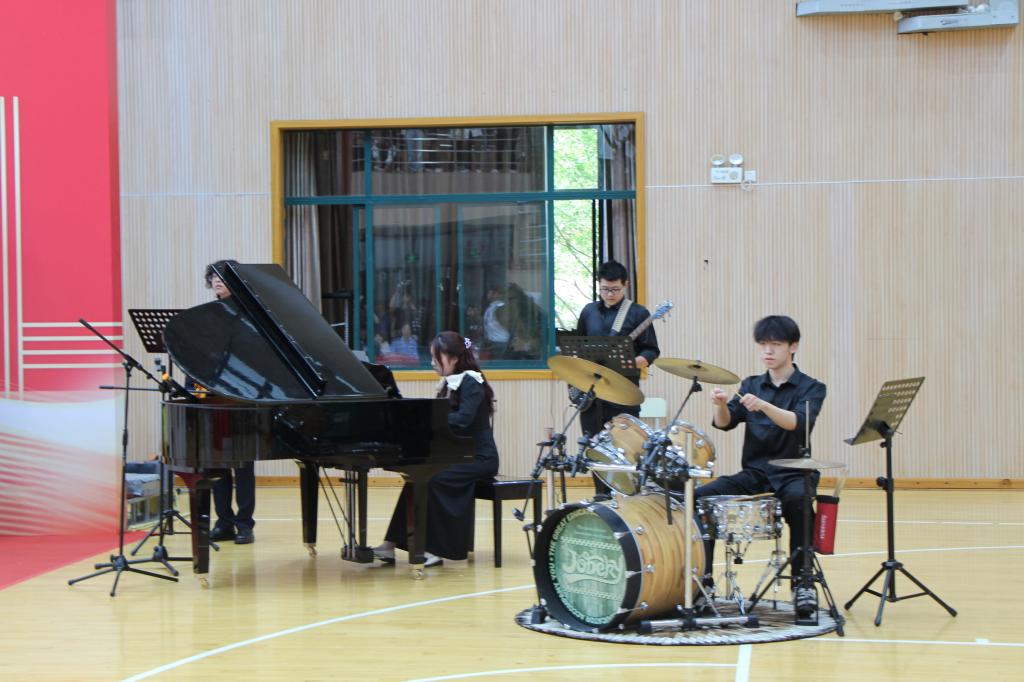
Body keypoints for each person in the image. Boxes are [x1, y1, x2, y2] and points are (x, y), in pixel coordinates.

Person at [697, 315, 825, 617]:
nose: (768, 351)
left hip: (794, 471)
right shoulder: (751, 384)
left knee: (800, 502)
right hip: (755, 472)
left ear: (793, 347)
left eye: (776, 344)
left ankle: (803, 584)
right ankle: (703, 583)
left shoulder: (812, 387)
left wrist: (765, 406)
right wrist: (720, 404)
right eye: (763, 344)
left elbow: (798, 423)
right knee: (700, 499)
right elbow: (724, 424)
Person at [373, 331, 499, 567]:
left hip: (480, 458)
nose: (432, 362)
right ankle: (390, 545)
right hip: (461, 455)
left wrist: (426, 419)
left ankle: (434, 549)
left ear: (454, 358)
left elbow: (462, 420)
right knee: (416, 478)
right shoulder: (451, 383)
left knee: (435, 478)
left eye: (436, 357)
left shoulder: (472, 382)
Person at [574, 260, 660, 440]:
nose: (609, 294)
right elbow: (578, 348)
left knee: (624, 448)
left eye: (615, 289)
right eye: (605, 289)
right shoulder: (588, 311)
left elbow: (651, 351)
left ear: (625, 285)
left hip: (624, 396)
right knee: (591, 448)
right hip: (591, 396)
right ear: (599, 284)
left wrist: (629, 363)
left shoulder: (638, 313)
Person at [203, 262, 257, 545]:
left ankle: (244, 524)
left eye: (222, 276)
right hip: (214, 394)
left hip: (241, 395)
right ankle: (223, 521)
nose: (216, 280)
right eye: (213, 276)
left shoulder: (249, 315)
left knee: (243, 464)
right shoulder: (206, 315)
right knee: (217, 462)